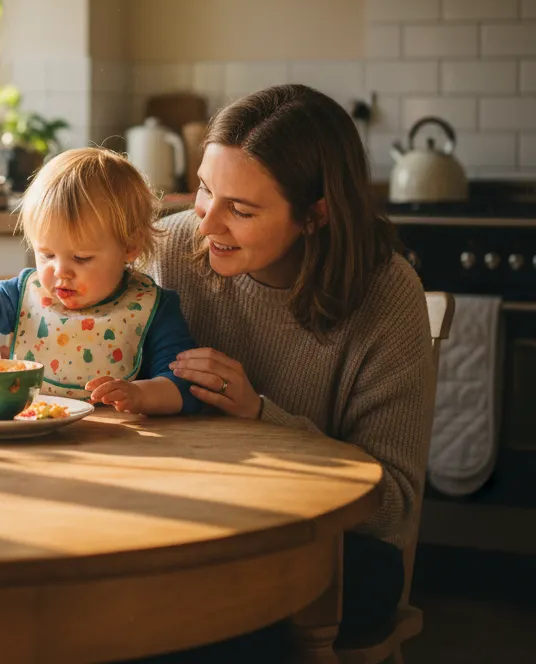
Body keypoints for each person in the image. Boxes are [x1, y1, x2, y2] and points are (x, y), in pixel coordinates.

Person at [149, 84, 432, 655]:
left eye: (242, 210)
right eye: (205, 190)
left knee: (200, 615)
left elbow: (394, 507)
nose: (206, 225)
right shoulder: (172, 247)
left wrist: (260, 415)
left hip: (331, 547)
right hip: (187, 521)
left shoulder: (386, 294)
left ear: (315, 214)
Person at [0, 147, 201, 416]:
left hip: (116, 443)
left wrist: (141, 395)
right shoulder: (26, 293)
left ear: (129, 246)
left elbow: (184, 386)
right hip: (28, 433)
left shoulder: (154, 307)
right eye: (47, 255)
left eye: (81, 257)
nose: (60, 272)